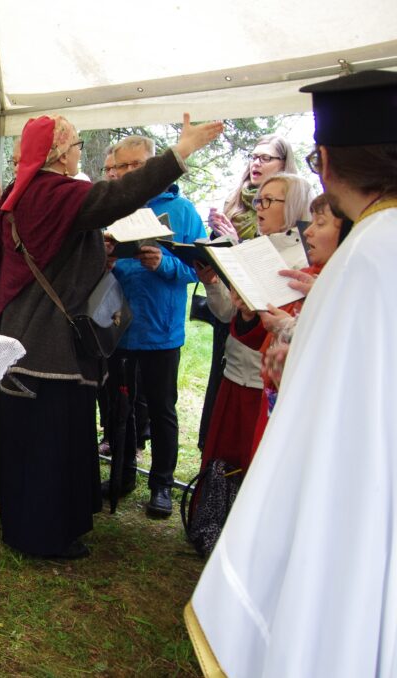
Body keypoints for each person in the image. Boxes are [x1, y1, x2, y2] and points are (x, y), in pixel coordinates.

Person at [187, 69, 397, 677]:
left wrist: (291, 342)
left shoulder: (368, 252)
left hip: (360, 491)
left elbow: (335, 393)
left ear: (324, 164)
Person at [0, 113, 222, 559]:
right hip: (49, 344)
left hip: (23, 336)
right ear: (58, 153)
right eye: (75, 144)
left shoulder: (22, 195)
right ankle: (45, 535)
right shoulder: (57, 191)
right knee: (51, 443)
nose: (79, 151)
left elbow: (53, 253)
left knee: (32, 441)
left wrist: (95, 249)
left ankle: (30, 526)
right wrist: (180, 151)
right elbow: (119, 195)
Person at [104, 136, 205, 517]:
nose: (130, 173)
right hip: (117, 325)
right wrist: (107, 260)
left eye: (137, 166)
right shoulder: (115, 205)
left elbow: (197, 268)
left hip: (161, 329)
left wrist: (162, 263)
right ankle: (123, 474)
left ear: (154, 164)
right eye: (123, 166)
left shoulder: (181, 210)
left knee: (162, 409)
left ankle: (161, 484)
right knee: (118, 406)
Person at [198, 173, 314, 473]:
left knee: (255, 467)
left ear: (295, 205)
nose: (259, 207)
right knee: (222, 467)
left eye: (268, 201)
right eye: (258, 200)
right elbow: (226, 313)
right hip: (235, 370)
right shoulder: (250, 248)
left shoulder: (305, 260)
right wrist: (211, 282)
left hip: (268, 381)